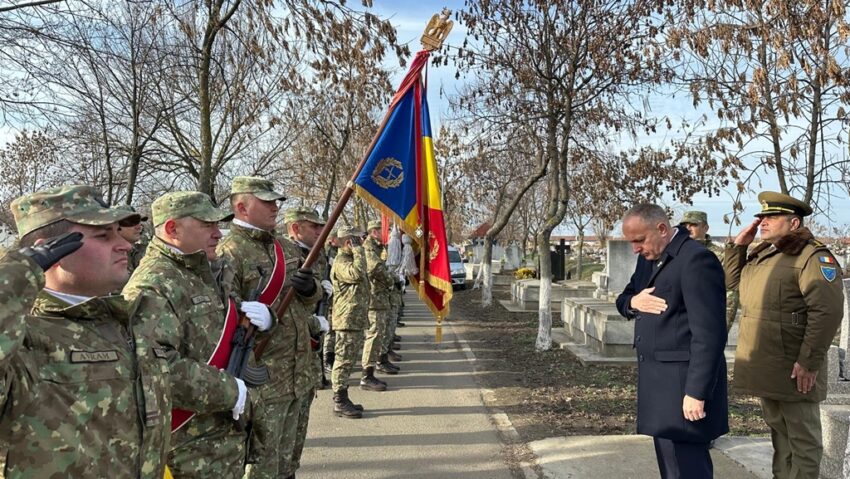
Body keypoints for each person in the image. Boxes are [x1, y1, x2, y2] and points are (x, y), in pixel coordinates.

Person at [3, 185, 172, 477]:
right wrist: (17, 273)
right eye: (104, 236)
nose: (125, 245)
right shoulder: (23, 340)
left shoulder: (124, 324)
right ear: (51, 252)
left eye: (118, 233)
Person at [124, 191, 268, 479]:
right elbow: (157, 368)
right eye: (207, 225)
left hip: (222, 436)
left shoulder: (204, 270)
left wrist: (263, 319)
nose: (218, 233)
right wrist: (231, 390)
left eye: (218, 225)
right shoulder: (153, 284)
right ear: (171, 228)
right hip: (189, 447)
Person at [724, 191, 844, 479]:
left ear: (794, 224)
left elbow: (826, 313)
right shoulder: (763, 254)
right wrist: (737, 247)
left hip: (795, 365)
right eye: (762, 217)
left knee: (803, 441)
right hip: (768, 363)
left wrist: (809, 362)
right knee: (780, 437)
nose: (763, 222)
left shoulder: (813, 257)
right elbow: (732, 282)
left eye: (772, 217)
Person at [216, 177, 323, 479]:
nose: (275, 207)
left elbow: (309, 302)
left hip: (299, 373)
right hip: (263, 380)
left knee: (289, 461)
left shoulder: (285, 247)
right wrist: (253, 318)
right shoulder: (228, 252)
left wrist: (309, 289)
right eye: (267, 202)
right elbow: (223, 315)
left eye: (276, 201)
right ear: (241, 206)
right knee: (261, 465)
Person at [616, 203, 728, 479]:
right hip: (660, 388)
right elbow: (624, 297)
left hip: (684, 388)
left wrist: (696, 392)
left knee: (688, 469)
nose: (635, 249)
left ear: (662, 229)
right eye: (631, 242)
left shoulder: (696, 260)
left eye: (639, 240)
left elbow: (709, 334)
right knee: (671, 468)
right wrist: (634, 302)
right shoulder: (649, 258)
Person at [284, 206, 332, 475]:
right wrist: (314, 323)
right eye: (314, 226)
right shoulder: (286, 257)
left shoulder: (316, 255)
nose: (320, 231)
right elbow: (286, 312)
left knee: (298, 431)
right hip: (285, 359)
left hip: (306, 354)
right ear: (295, 228)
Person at [330, 226, 370, 418]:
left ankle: (344, 396)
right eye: (358, 241)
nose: (362, 243)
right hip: (346, 319)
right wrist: (359, 252)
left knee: (348, 359)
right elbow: (357, 273)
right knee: (343, 360)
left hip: (354, 318)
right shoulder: (341, 261)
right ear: (349, 243)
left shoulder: (351, 259)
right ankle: (339, 400)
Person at [681, 210, 740, 331]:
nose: (688, 228)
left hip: (706, 319)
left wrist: (723, 327)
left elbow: (729, 291)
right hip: (677, 321)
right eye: (685, 225)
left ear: (705, 228)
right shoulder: (674, 252)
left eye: (693, 225)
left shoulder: (719, 254)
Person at [362, 220, 398, 385]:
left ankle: (379, 362)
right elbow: (375, 268)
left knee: (380, 334)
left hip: (381, 297)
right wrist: (392, 279)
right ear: (374, 231)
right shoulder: (368, 248)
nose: (387, 233)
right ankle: (366, 375)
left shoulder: (379, 247)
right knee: (374, 334)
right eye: (384, 230)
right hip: (374, 298)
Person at [114, 204, 150, 273]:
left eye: (139, 222)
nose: (139, 227)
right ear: (116, 225)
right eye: (132, 222)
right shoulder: (106, 257)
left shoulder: (141, 253)